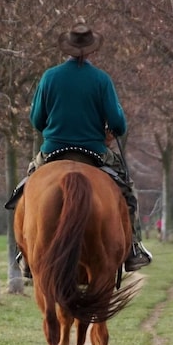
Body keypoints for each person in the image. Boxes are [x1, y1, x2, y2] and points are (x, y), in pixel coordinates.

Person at [16, 18, 152, 274]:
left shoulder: (49, 77)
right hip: (94, 152)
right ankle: (134, 248)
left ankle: (24, 252)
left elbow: (36, 120)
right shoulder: (101, 80)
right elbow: (118, 124)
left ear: (67, 48)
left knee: (26, 188)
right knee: (127, 190)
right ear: (91, 51)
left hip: (53, 151)